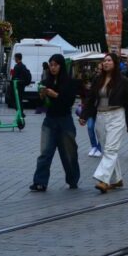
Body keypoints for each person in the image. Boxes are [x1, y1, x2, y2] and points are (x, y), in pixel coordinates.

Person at [80, 53, 128, 193]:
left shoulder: (123, 81)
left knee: (111, 149)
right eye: (104, 61)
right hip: (100, 116)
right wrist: (84, 115)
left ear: (115, 63)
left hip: (116, 115)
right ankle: (116, 179)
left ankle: (103, 179)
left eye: (109, 60)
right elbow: (90, 98)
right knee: (107, 150)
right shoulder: (98, 79)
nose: (106, 63)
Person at [29, 54, 81, 192]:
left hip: (65, 121)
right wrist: (41, 97)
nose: (53, 67)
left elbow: (68, 102)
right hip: (50, 120)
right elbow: (41, 105)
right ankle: (40, 182)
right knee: (45, 153)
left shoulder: (69, 82)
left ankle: (73, 180)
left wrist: (55, 95)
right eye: (51, 65)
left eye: (56, 65)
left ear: (61, 66)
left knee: (69, 154)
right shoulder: (46, 82)